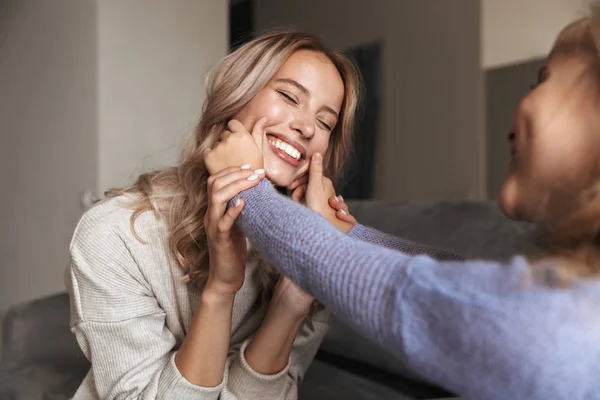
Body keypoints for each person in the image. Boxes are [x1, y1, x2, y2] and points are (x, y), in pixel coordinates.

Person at [203, 15, 600, 400]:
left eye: (543, 80)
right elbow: (458, 282)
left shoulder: (572, 329)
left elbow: (406, 289)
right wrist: (347, 231)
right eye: (289, 97)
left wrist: (247, 189)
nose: (518, 107)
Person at [66, 30, 455, 399]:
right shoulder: (114, 234)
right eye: (289, 96)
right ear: (237, 97)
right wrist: (221, 290)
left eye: (325, 122)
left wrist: (298, 290)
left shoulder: (317, 244)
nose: (305, 126)